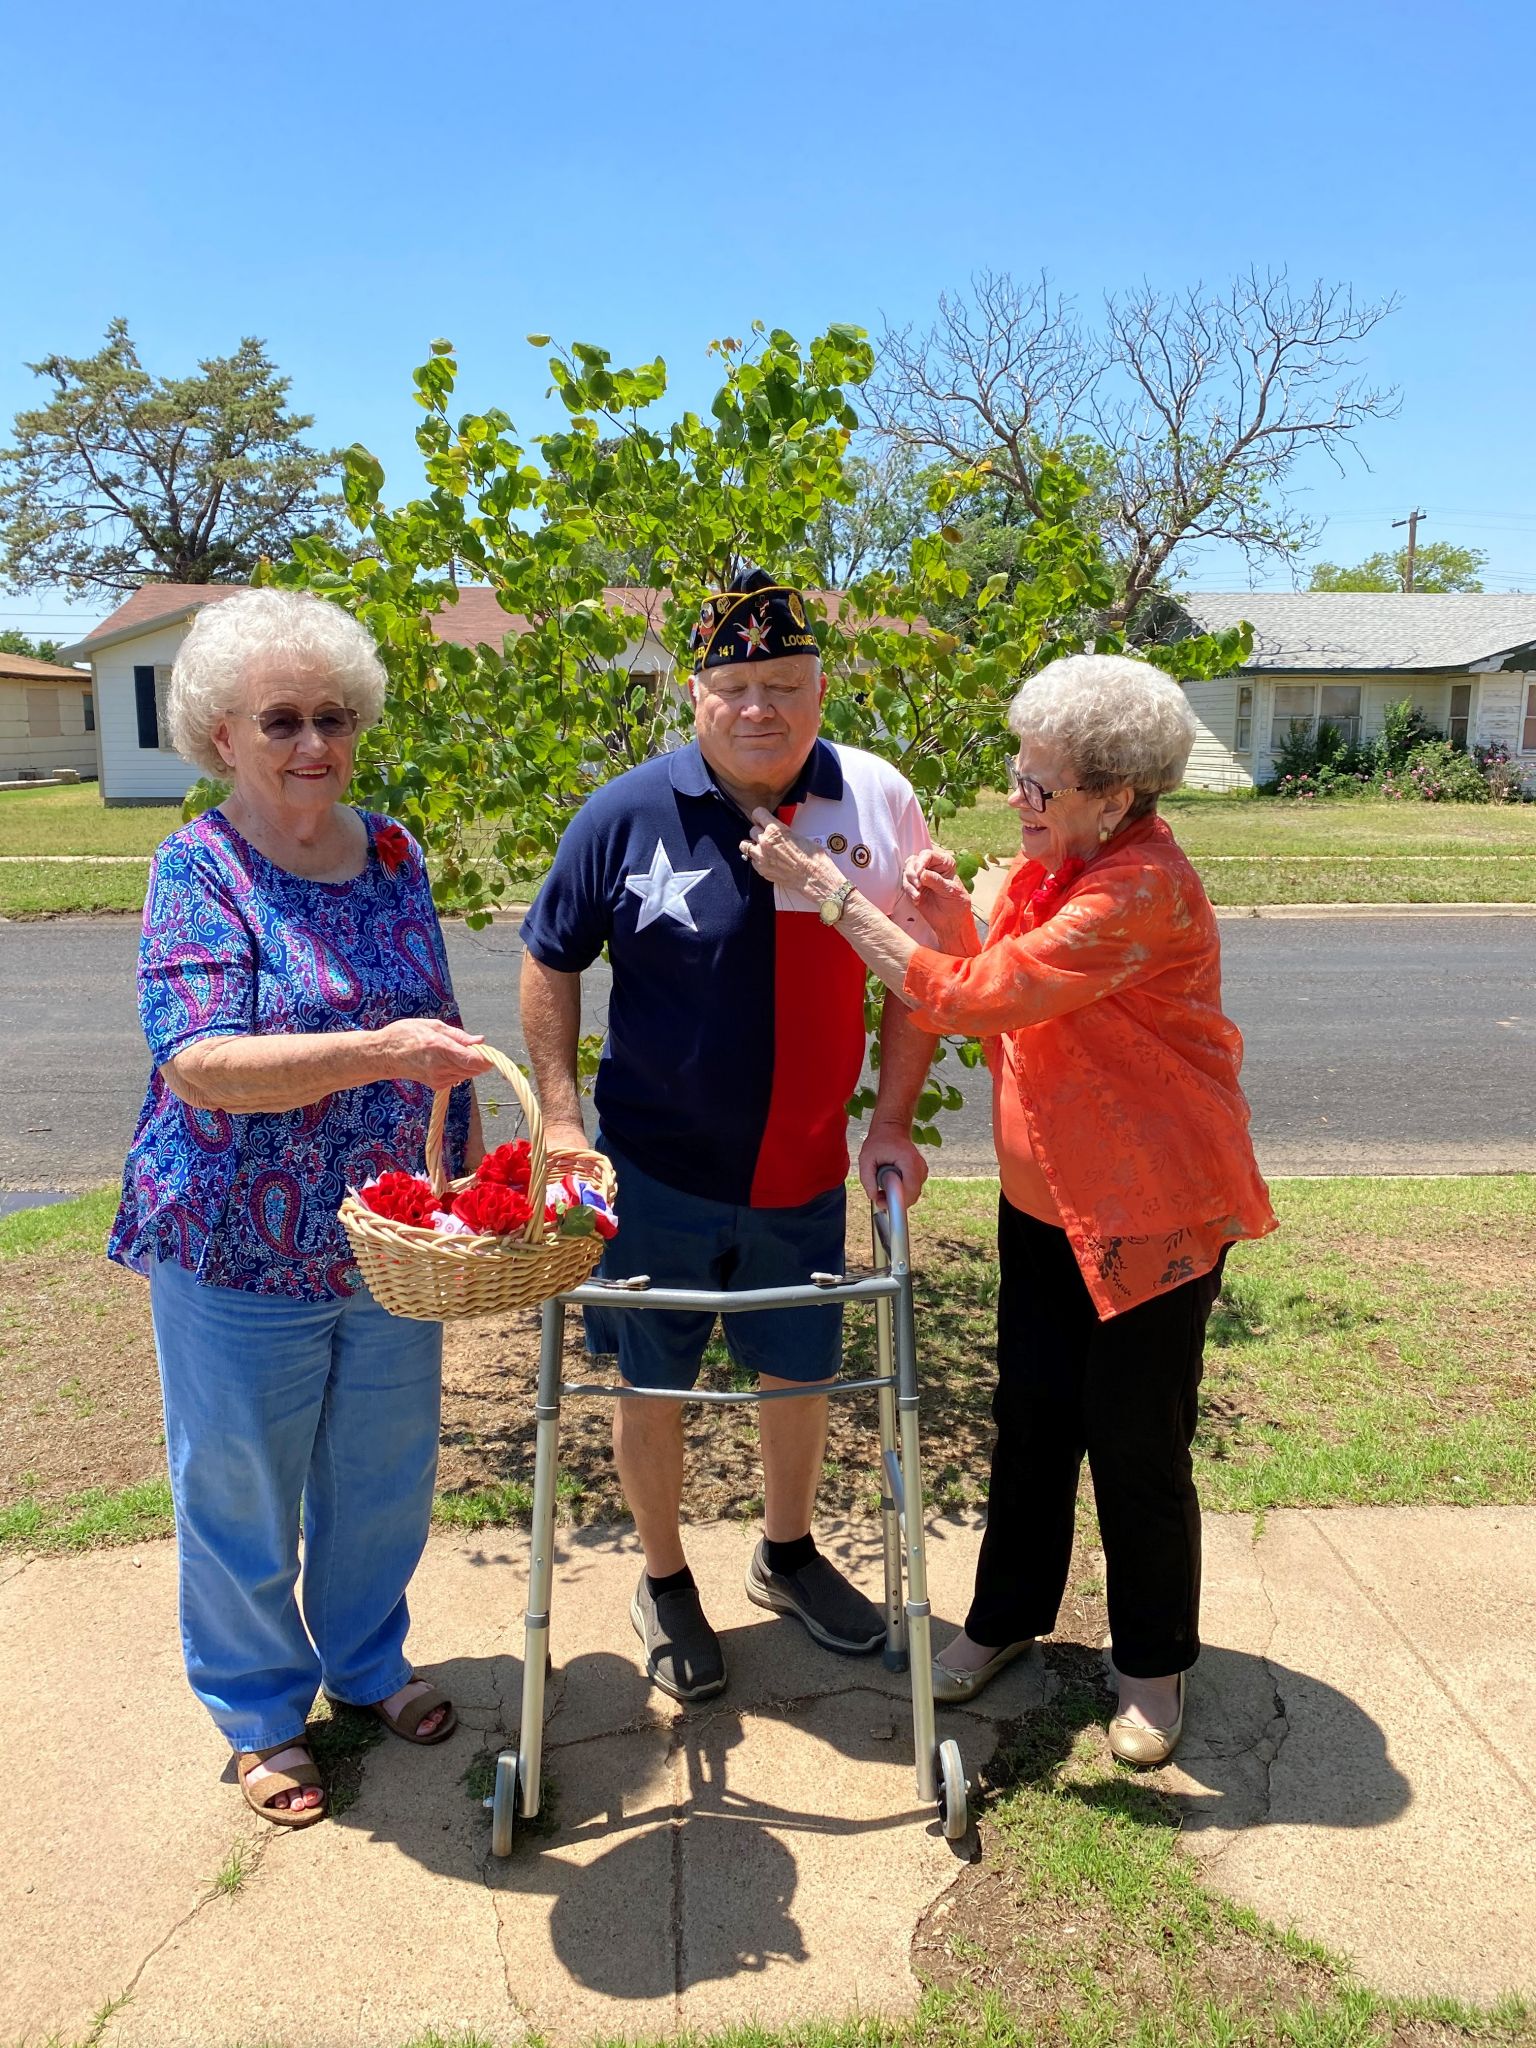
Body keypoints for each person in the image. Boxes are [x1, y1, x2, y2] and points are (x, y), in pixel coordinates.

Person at [743, 652, 1276, 1765]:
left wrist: (834, 891)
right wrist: (947, 911)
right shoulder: (1056, 868)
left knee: (1136, 1441)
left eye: (1040, 786)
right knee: (1029, 1420)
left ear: (1114, 796)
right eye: (1018, 773)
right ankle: (1004, 1619)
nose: (1016, 801)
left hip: (1151, 1216)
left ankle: (1151, 1666)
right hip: (1048, 1207)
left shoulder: (1141, 888)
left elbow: (972, 996)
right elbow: (1005, 985)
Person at [109, 588, 493, 1826]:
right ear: (222, 732)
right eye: (281, 718)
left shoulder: (393, 851)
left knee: (384, 1469)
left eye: (334, 715)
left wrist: (459, 1181)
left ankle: (368, 1660)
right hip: (236, 1237)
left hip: (389, 1237)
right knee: (239, 1486)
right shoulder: (198, 865)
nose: (313, 742)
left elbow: (430, 1016)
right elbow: (196, 1057)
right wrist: (377, 1049)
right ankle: (261, 1712)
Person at [519, 567, 936, 1702]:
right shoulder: (623, 812)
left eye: (787, 683)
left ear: (820, 687)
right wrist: (560, 1115)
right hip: (656, 1171)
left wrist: (891, 1119)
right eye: (737, 684)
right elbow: (550, 958)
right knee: (651, 1386)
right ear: (697, 696)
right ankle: (664, 1578)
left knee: (795, 1374)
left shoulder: (878, 800)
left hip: (802, 1168)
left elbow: (921, 976)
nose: (762, 707)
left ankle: (787, 1552)